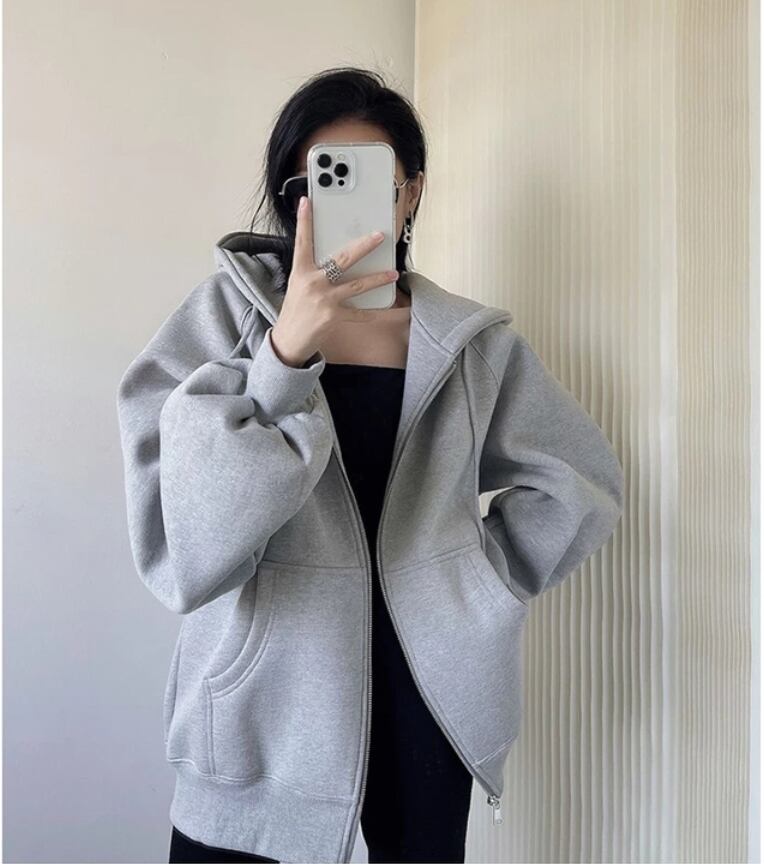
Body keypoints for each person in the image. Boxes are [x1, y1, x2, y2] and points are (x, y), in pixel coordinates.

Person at [116, 67, 625, 864]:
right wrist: (282, 357)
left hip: (428, 704)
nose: (334, 207)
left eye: (367, 180)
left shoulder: (470, 345)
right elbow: (186, 553)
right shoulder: (220, 321)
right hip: (262, 712)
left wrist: (472, 579)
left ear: (411, 192)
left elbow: (578, 483)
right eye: (315, 184)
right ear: (290, 198)